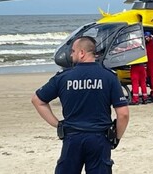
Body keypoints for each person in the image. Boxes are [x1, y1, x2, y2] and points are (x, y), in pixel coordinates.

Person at [31, 36, 129, 174]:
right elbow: (123, 114)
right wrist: (116, 138)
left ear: (81, 53)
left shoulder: (63, 77)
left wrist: (58, 124)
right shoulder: (109, 77)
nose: (70, 55)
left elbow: (37, 100)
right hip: (99, 138)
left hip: (72, 138)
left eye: (72, 51)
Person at [144, 31, 153, 101]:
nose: (146, 39)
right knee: (148, 78)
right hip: (149, 63)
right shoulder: (147, 43)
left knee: (152, 79)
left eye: (147, 37)